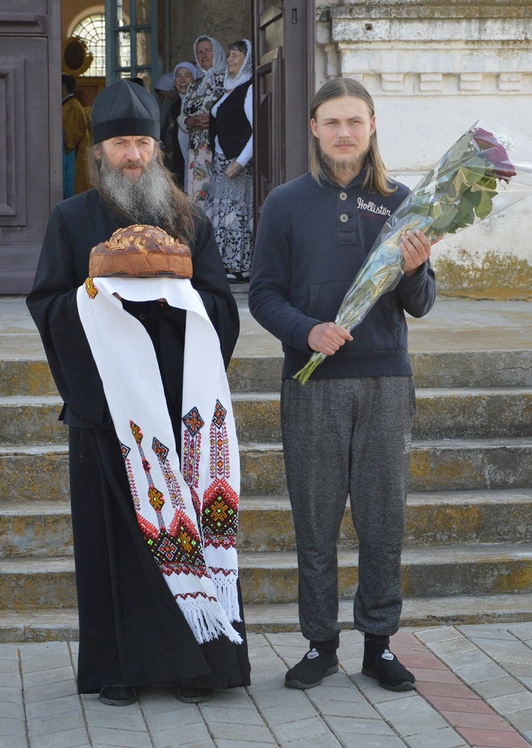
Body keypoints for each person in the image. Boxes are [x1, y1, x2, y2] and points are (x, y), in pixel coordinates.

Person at [27, 80, 250, 706]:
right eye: (121, 143)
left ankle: (202, 669)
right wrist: (99, 301)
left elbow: (219, 309)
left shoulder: (188, 220)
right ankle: (119, 668)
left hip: (180, 415)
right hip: (106, 414)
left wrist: (173, 298)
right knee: (113, 546)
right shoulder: (71, 222)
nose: (133, 155)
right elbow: (46, 302)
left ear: (158, 149)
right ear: (99, 153)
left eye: (143, 143)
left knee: (190, 539)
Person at [248, 78, 437, 693]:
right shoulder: (284, 203)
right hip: (313, 387)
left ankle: (378, 644)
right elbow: (263, 295)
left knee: (384, 519)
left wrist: (415, 269)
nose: (344, 133)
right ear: (314, 128)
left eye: (355, 121)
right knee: (315, 518)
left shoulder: (404, 202)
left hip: (384, 381)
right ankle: (319, 644)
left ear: (373, 125)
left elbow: (422, 303)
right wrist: (307, 332)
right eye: (332, 122)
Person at [204, 40, 253, 283]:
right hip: (221, 161)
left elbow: (258, 131)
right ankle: (224, 264)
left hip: (236, 164)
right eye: (231, 55)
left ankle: (239, 267)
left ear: (247, 61)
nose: (230, 60)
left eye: (236, 56)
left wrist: (241, 162)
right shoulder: (229, 87)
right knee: (221, 215)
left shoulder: (249, 89)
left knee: (236, 216)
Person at [178, 36, 226, 209]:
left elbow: (237, 113)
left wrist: (215, 120)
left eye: (208, 50)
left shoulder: (228, 80)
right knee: (198, 197)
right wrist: (189, 121)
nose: (203, 55)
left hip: (219, 148)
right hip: (197, 151)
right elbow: (182, 116)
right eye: (199, 52)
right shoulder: (194, 85)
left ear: (217, 51)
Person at [62, 74, 91, 198]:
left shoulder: (73, 106)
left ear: (63, 87)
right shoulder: (66, 105)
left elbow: (71, 139)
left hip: (71, 154)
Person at [170, 62, 197, 189]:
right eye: (178, 76)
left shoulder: (198, 104)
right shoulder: (176, 105)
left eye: (187, 76)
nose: (182, 80)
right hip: (180, 159)